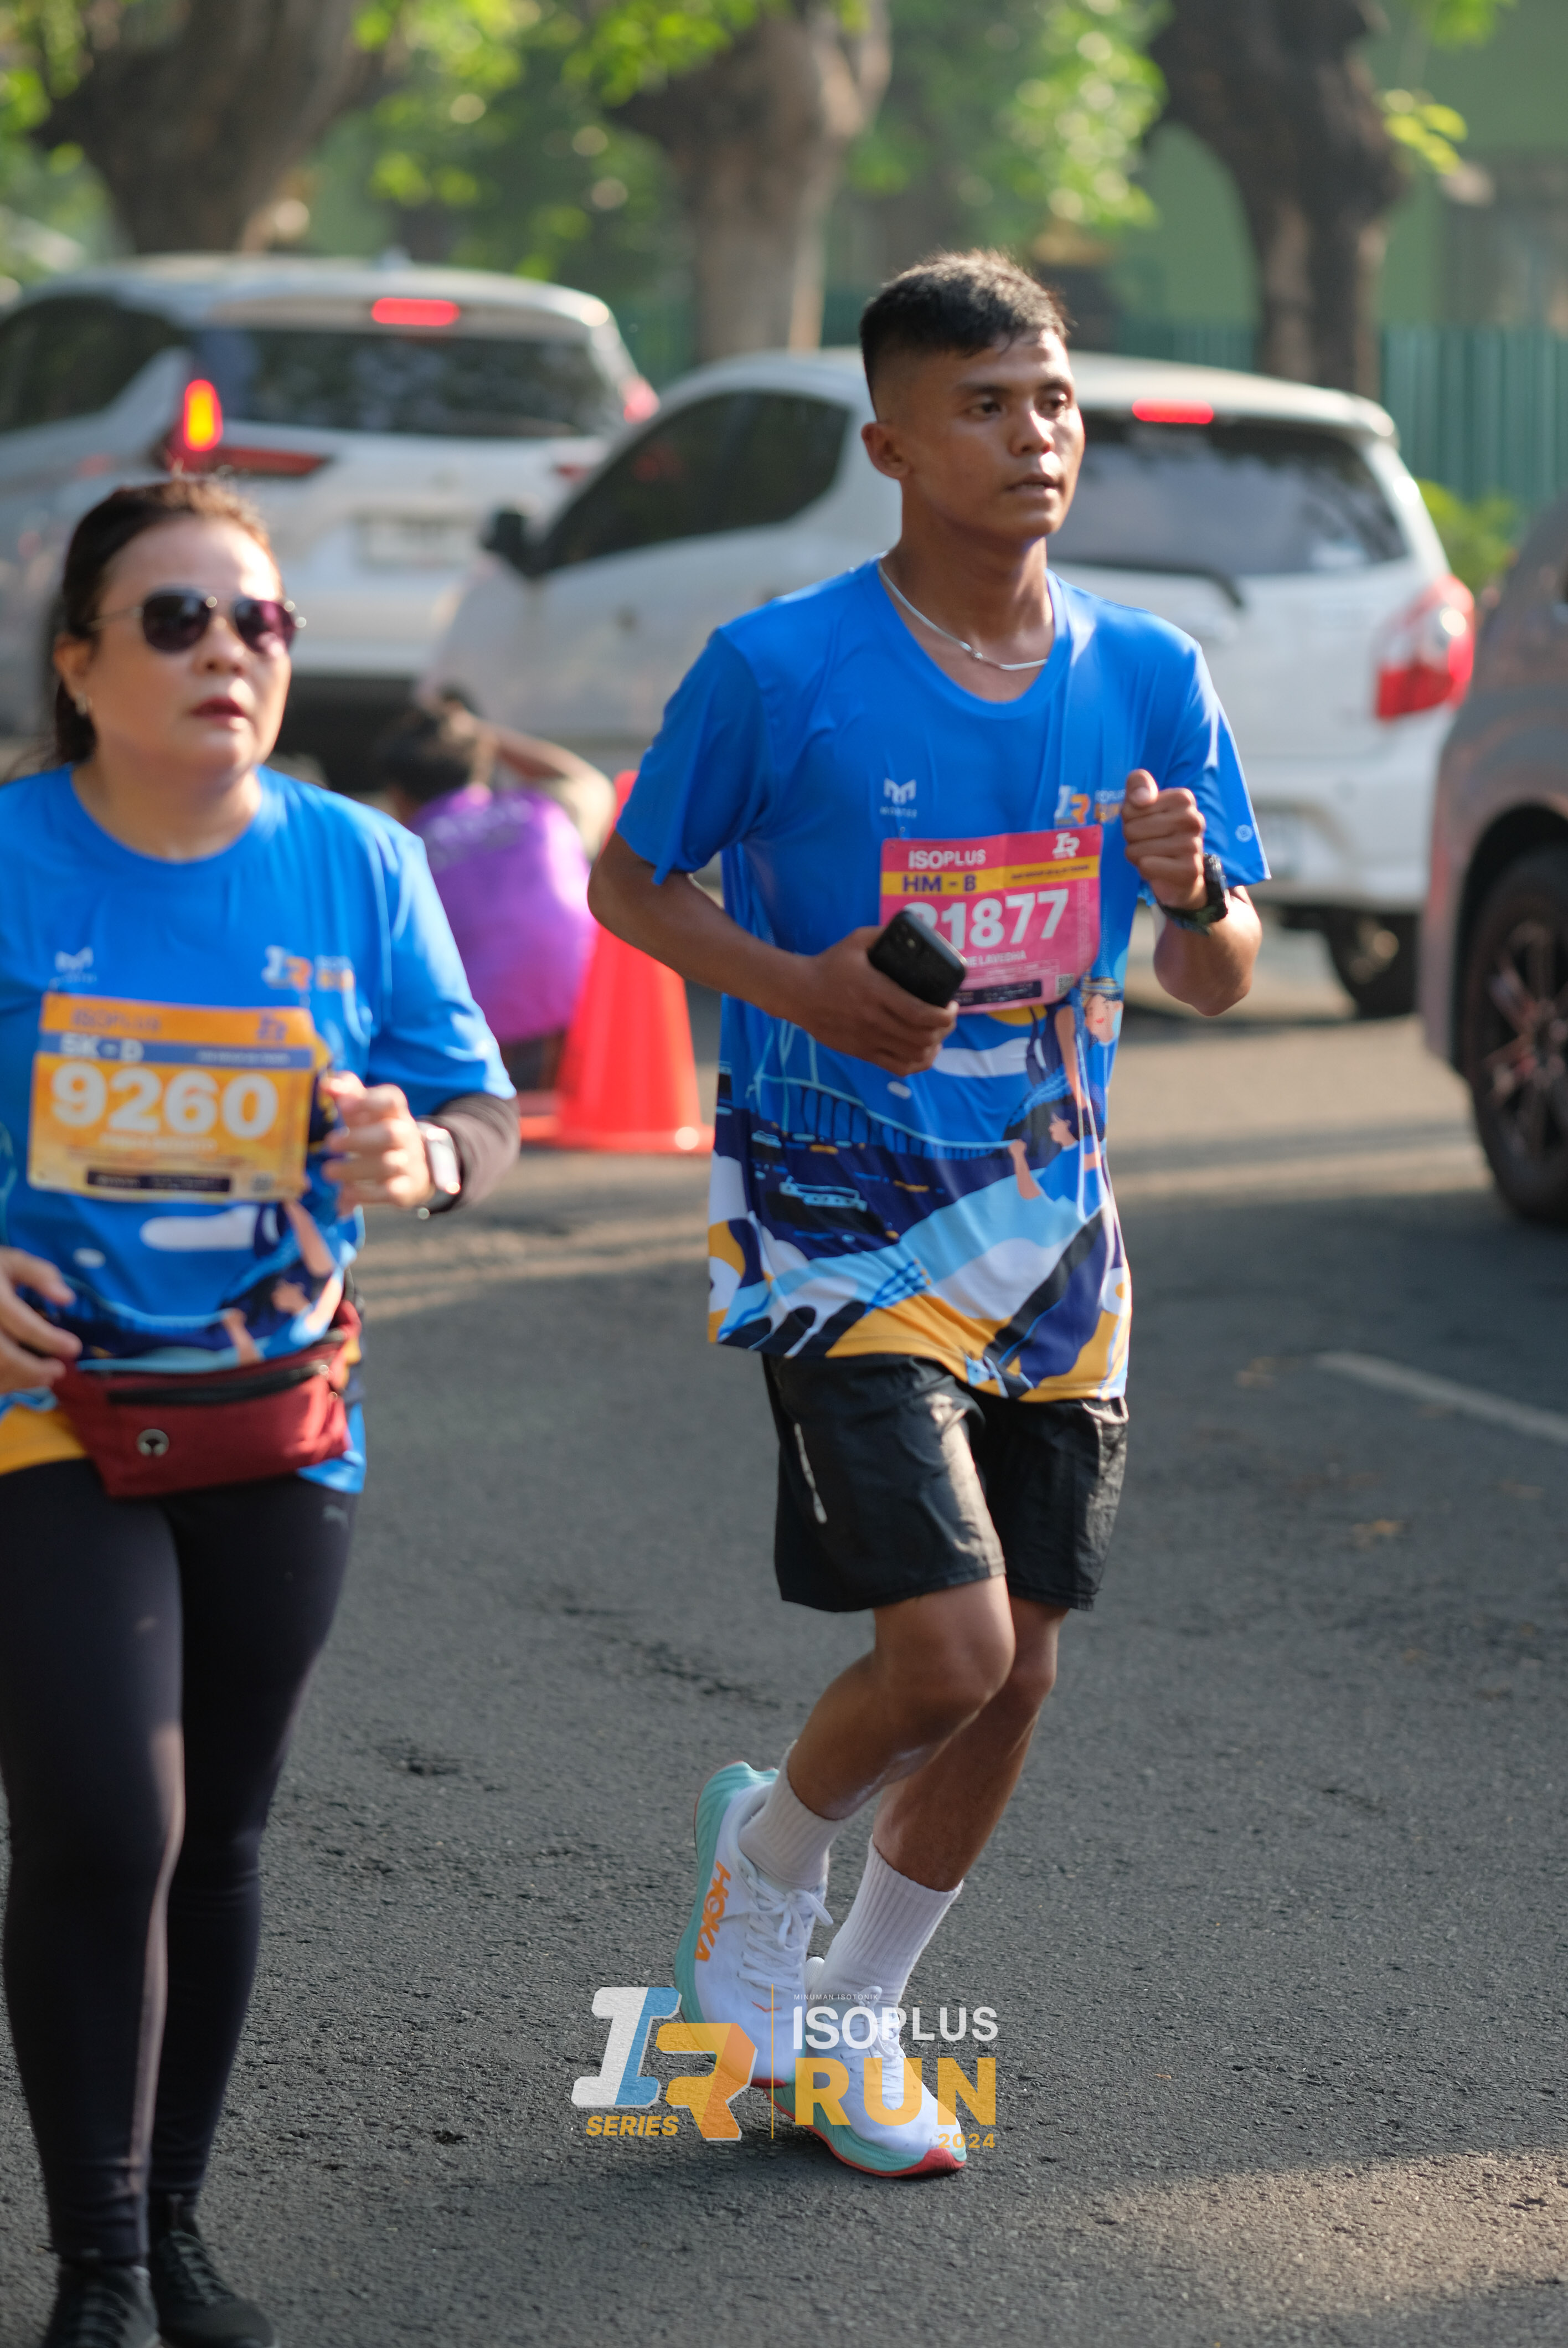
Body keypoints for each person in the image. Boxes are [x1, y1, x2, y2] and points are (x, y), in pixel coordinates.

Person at [588, 251, 1266, 2179]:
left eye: (1050, 399)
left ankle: (858, 2012)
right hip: (839, 1224)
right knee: (951, 1654)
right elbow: (628, 884)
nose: (1032, 435)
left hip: (1054, 1239)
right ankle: (765, 1870)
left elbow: (1216, 975)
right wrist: (798, 988)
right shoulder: (780, 668)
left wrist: (1192, 893)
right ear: (889, 444)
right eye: (981, 405)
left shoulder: (1149, 677)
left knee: (1020, 1667)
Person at [0, 478, 518, 2346]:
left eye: (262, 621)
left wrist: (425, 1160)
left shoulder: (361, 864)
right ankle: (100, 2268)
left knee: (217, 1831)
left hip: (276, 1415)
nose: (231, 648)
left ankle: (176, 2223)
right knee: (103, 1815)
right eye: (179, 618)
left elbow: (476, 1105)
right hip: (46, 1409)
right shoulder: (11, 857)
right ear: (81, 664)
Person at [374, 700, 611, 1092]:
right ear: (483, 766)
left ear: (397, 795)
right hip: (599, 1028)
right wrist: (482, 734)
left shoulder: (403, 853)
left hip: (487, 1051)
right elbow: (587, 780)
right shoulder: (549, 810)